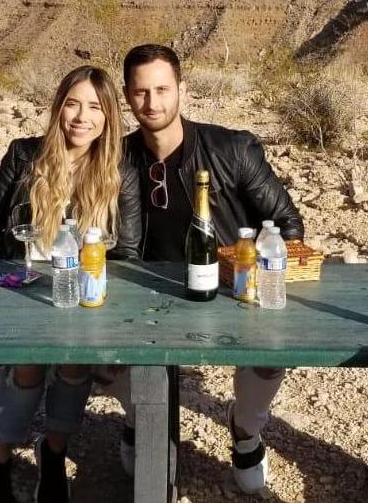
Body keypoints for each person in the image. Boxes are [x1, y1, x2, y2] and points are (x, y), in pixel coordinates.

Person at [117, 43, 305, 494]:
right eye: (141, 92)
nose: (152, 103)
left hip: (230, 287)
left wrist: (250, 268)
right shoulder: (117, 157)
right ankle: (143, 419)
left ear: (182, 90)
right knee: (101, 355)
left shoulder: (231, 149)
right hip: (149, 291)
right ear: (127, 96)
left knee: (270, 357)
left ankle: (245, 430)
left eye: (162, 89)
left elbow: (288, 224)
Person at [0, 65, 141, 503]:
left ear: (108, 117)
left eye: (95, 108)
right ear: (58, 108)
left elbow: (128, 254)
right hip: (23, 288)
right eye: (72, 104)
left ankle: (53, 454)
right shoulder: (24, 156)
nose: (82, 117)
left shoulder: (120, 172)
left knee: (74, 365)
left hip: (84, 295)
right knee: (28, 364)